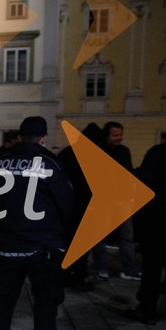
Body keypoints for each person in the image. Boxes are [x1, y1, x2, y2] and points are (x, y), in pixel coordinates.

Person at [0, 116, 73, 330]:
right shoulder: (51, 164)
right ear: (44, 137)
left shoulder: (3, 161)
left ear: (20, 135)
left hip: (10, 245)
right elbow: (66, 204)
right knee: (45, 309)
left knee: (2, 302)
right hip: (43, 248)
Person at [128, 111, 166, 325]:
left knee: (152, 266)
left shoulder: (159, 153)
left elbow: (143, 185)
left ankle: (148, 309)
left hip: (160, 218)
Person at [90, 122, 141, 281]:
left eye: (120, 134)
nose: (119, 138)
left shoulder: (124, 151)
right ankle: (102, 268)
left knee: (127, 236)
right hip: (104, 200)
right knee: (99, 237)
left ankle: (129, 269)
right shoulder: (98, 151)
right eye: (115, 135)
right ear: (107, 135)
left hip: (122, 200)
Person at [57, 122, 103, 292]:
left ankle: (63, 275)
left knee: (66, 243)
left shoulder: (67, 153)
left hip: (67, 206)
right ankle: (78, 278)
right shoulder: (96, 155)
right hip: (86, 206)